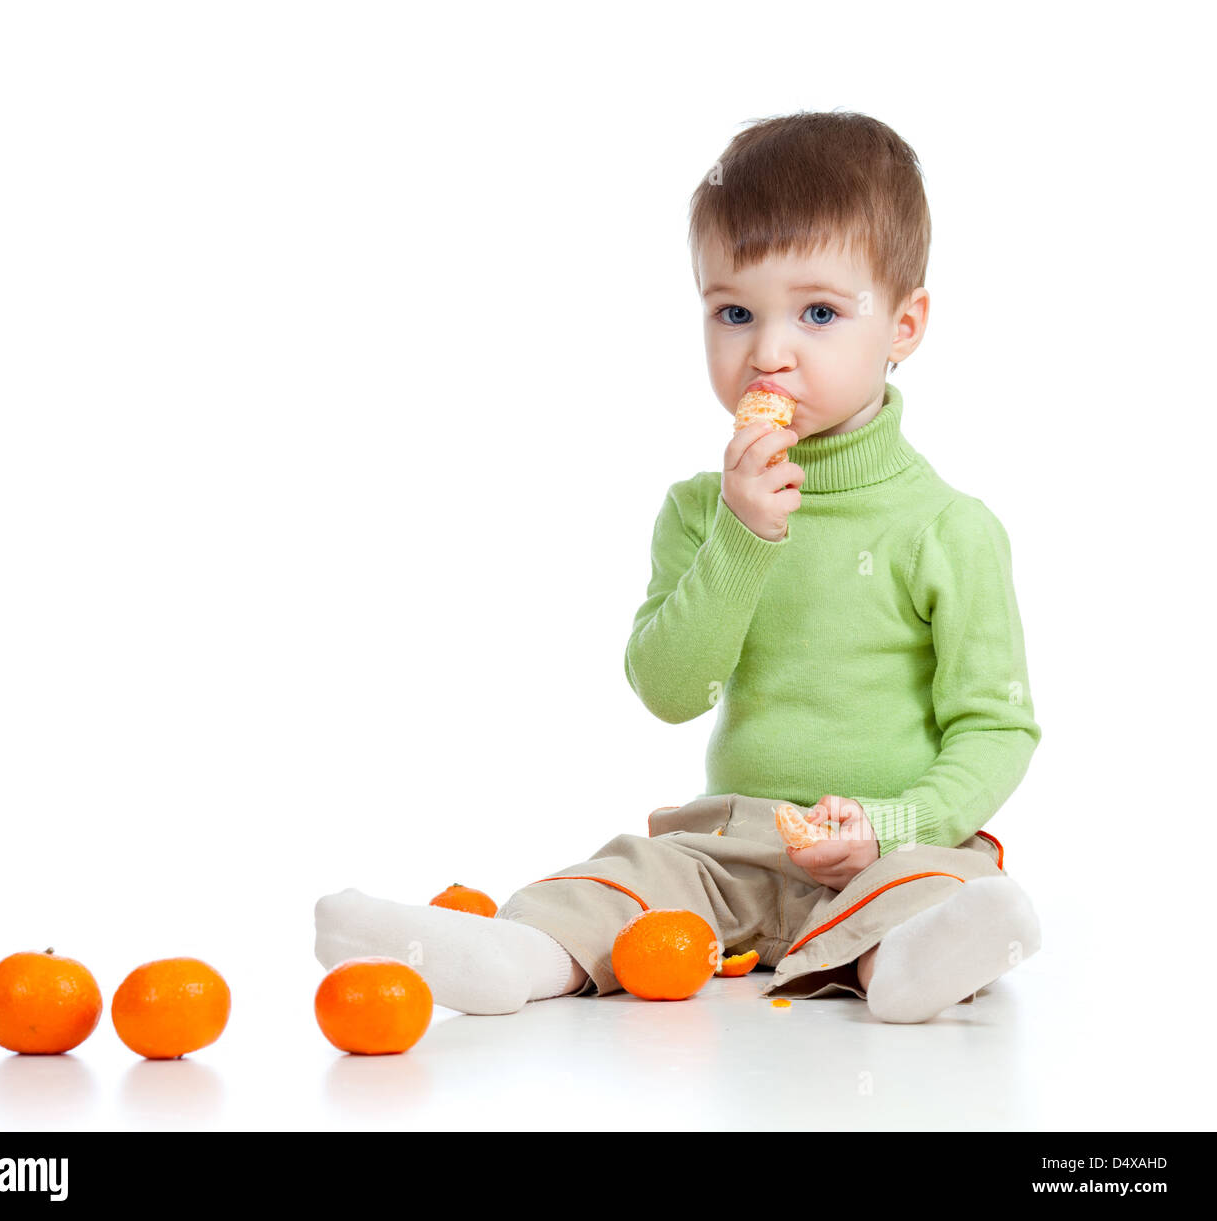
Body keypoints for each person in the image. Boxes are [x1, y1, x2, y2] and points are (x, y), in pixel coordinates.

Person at [314, 109, 1042, 1024]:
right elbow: (670, 688)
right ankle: (515, 954)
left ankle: (905, 964)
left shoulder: (948, 526)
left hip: (888, 847)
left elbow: (996, 730)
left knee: (937, 886)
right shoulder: (700, 510)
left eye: (818, 312)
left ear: (905, 324)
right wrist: (741, 537)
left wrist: (886, 825)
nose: (768, 351)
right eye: (734, 312)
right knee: (630, 872)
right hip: (732, 841)